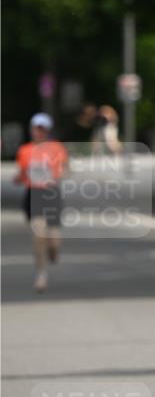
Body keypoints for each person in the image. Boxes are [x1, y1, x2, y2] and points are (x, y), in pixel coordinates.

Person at [14, 113, 69, 293]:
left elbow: (66, 169)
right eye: (36, 128)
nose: (39, 132)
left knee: (53, 242)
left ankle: (53, 252)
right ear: (31, 129)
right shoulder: (24, 150)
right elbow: (21, 174)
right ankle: (41, 275)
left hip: (51, 195)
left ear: (48, 130)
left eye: (42, 128)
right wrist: (19, 178)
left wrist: (58, 176)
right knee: (38, 236)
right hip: (33, 194)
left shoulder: (57, 148)